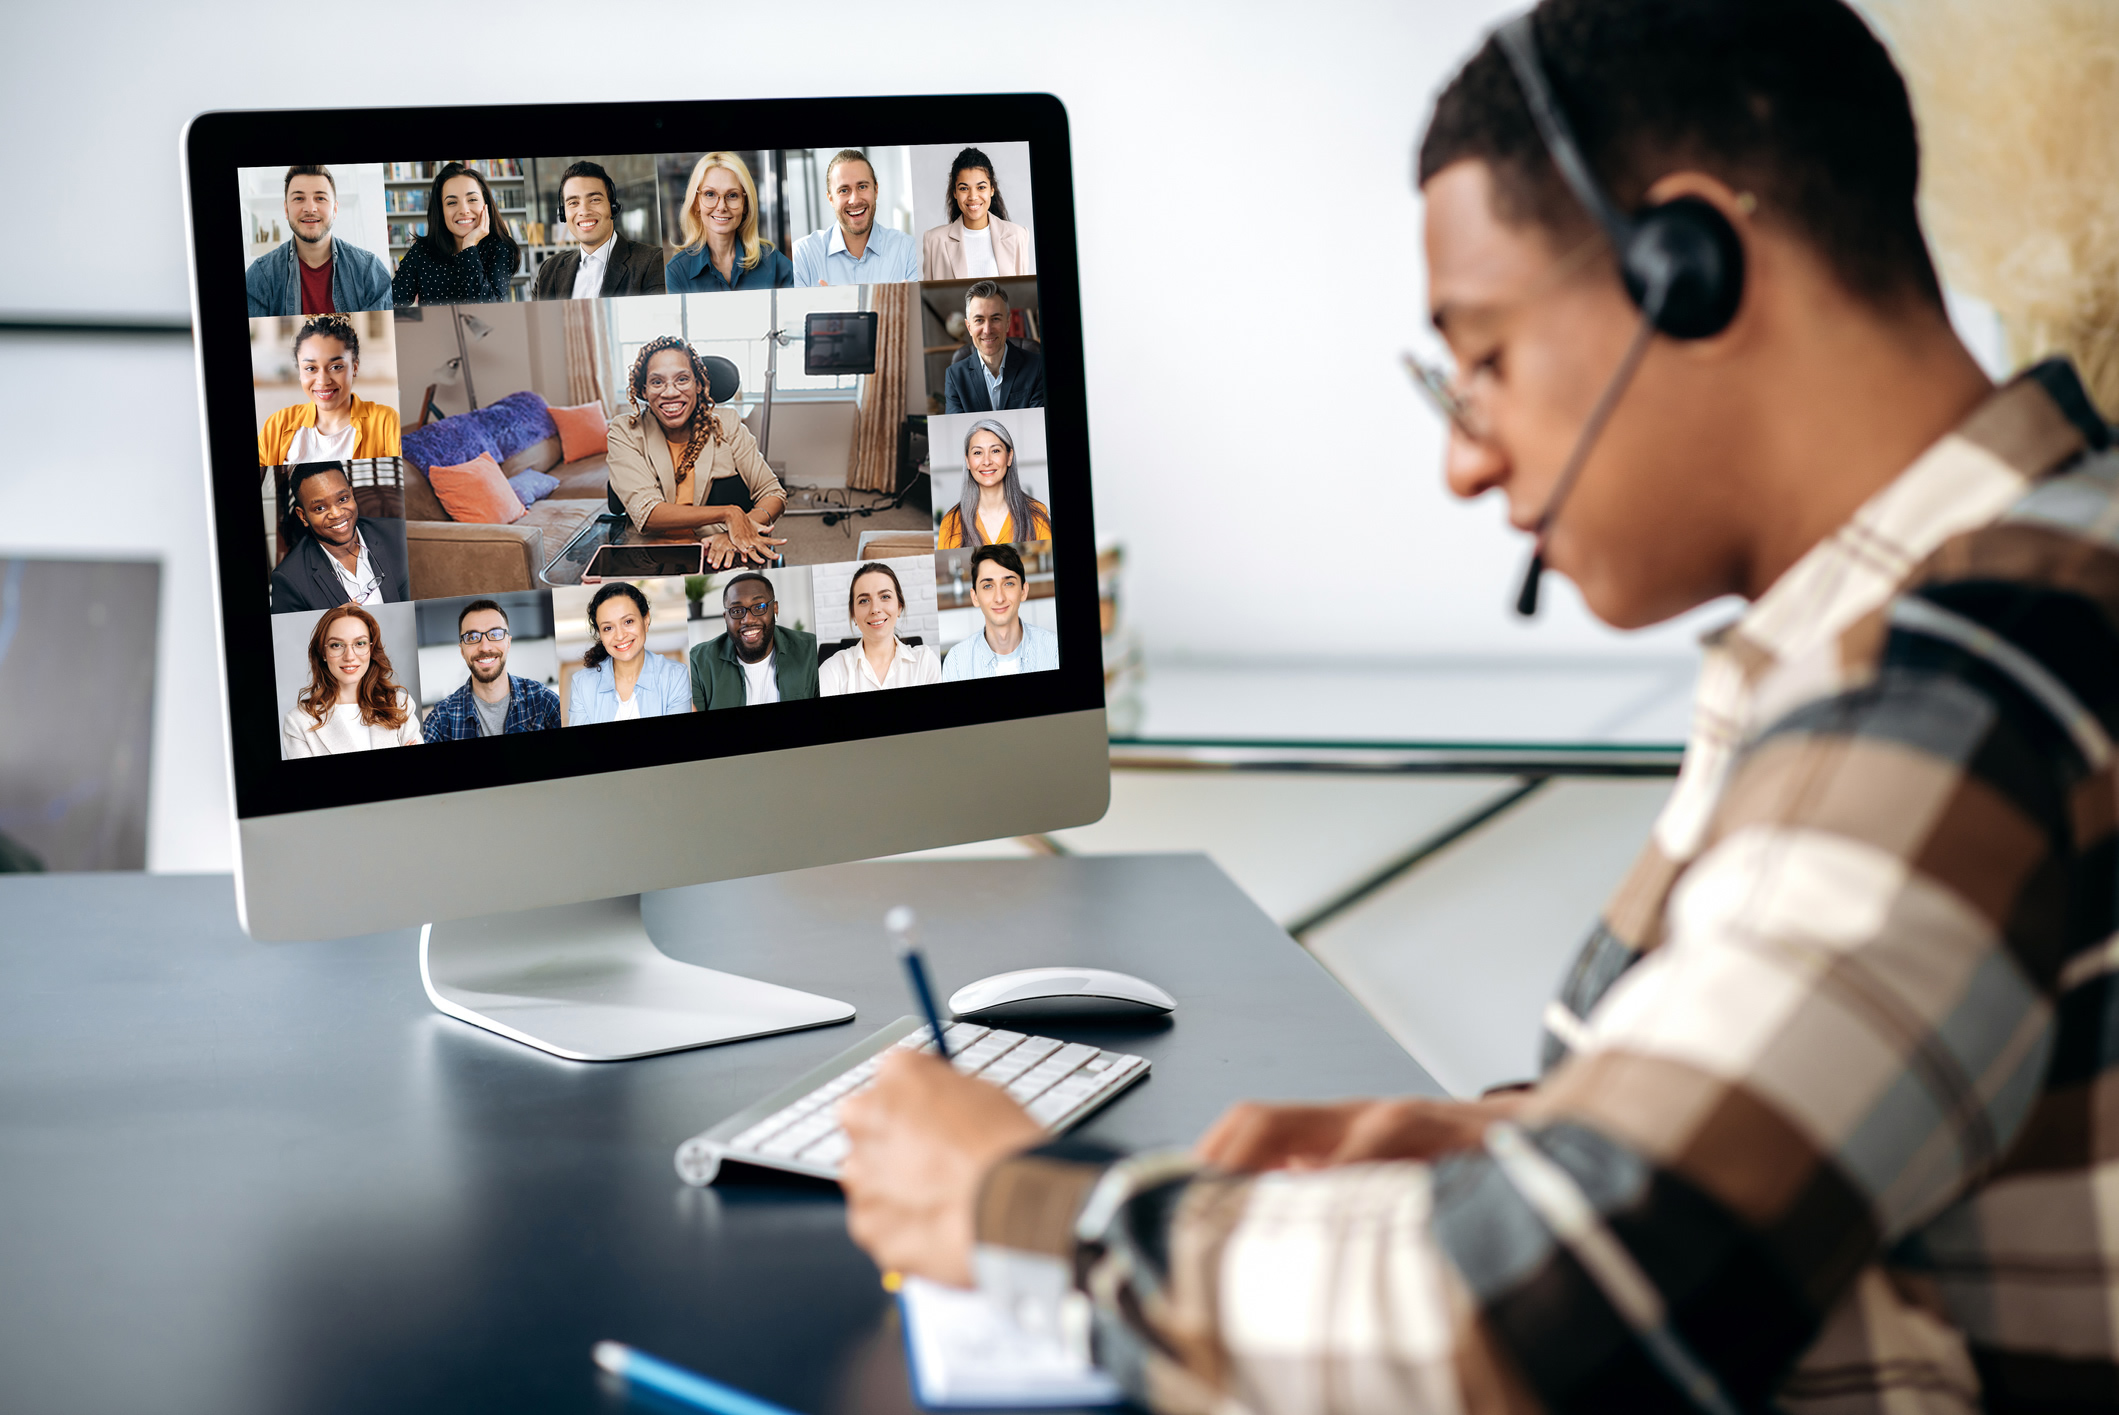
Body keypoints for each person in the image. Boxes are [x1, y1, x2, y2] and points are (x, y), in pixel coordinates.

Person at [837, 1, 2119, 1410]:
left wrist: (1029, 1204)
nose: (1463, 463)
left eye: (1486, 356)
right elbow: (1807, 1160)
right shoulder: (2015, 575)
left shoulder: (1959, 679)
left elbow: (1573, 1297)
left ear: (1688, 269)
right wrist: (1520, 1137)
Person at [604, 335, 788, 569]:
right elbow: (648, 513)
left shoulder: (727, 424)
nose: (670, 392)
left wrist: (739, 530)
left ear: (699, 384)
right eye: (657, 382)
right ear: (644, 390)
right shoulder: (624, 431)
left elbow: (773, 493)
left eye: (682, 379)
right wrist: (728, 513)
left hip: (719, 550)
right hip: (651, 553)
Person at [245, 165, 392, 317]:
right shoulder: (260, 276)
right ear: (286, 209)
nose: (310, 208)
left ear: (335, 209)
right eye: (299, 198)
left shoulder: (370, 271)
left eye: (320, 198)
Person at [256, 314, 401, 465]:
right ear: (300, 372)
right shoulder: (278, 425)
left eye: (336, 367)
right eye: (311, 368)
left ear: (354, 368)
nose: (323, 381)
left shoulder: (386, 422)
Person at [278, 605, 421, 757]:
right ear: (323, 653)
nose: (349, 656)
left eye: (360, 643)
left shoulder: (400, 704)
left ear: (371, 650)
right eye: (336, 645)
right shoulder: (298, 722)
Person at [268, 461, 410, 614]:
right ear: (303, 516)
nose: (336, 514)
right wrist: (329, 622)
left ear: (351, 494)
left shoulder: (400, 534)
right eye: (320, 508)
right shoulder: (289, 580)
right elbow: (286, 636)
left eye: (342, 499)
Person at [421, 599, 561, 741]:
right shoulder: (442, 718)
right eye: (472, 637)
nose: (485, 647)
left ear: (508, 642)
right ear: (462, 650)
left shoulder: (543, 701)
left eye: (495, 634)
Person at [531, 160, 665, 299]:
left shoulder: (652, 262)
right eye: (573, 203)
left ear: (613, 207)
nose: (584, 211)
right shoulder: (548, 270)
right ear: (564, 214)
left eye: (594, 199)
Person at [390, 162, 518, 306]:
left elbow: (489, 310)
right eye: (451, 202)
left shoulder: (500, 249)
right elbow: (391, 305)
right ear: (441, 211)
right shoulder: (422, 250)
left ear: (486, 204)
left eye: (472, 199)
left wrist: (469, 247)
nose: (464, 210)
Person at [664, 153, 793, 293]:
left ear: (745, 204)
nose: (721, 207)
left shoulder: (773, 262)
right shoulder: (678, 270)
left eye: (732, 195)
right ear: (696, 203)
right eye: (710, 194)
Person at [567, 582, 692, 724]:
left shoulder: (675, 676)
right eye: (608, 628)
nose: (620, 636)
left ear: (646, 620)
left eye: (628, 621)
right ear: (600, 635)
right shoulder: (582, 684)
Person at [688, 573, 818, 709]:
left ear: (775, 609)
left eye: (759, 607)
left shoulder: (809, 650)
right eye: (737, 610)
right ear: (726, 617)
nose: (748, 619)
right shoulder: (698, 662)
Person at [791, 150, 920, 286]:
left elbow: (918, 306)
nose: (854, 200)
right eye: (844, 190)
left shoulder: (908, 250)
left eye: (862, 186)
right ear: (830, 199)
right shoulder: (803, 255)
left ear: (876, 190)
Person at [937, 544, 1056, 680]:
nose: (999, 598)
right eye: (988, 586)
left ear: (1024, 591)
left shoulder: (1054, 650)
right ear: (975, 597)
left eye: (1008, 583)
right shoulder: (956, 663)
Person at [819, 562, 941, 695]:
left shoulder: (926, 662)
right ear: (853, 613)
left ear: (899, 607)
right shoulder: (831, 671)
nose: (875, 609)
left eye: (885, 597)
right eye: (864, 600)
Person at [919, 147, 1035, 280]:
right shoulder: (934, 240)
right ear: (955, 193)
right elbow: (927, 297)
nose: (973, 196)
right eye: (964, 188)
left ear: (992, 190)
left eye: (981, 187)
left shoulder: (1018, 236)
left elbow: (1023, 295)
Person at [936, 419, 1050, 548]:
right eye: (978, 452)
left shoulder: (1037, 514)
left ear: (1009, 457)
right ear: (967, 461)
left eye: (995, 450)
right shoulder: (950, 523)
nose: (986, 461)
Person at [942, 281, 1046, 414]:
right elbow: (957, 431)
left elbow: (1037, 425)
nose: (987, 330)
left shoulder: (1037, 367)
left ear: (1008, 323)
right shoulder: (955, 376)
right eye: (979, 320)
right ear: (969, 327)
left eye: (995, 319)